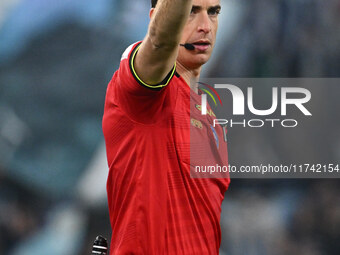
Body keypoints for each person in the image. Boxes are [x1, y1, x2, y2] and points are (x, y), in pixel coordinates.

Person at [102, 0, 230, 254]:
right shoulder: (141, 95)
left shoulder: (211, 121)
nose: (206, 26)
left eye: (213, 12)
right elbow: (160, 42)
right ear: (156, 16)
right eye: (191, 11)